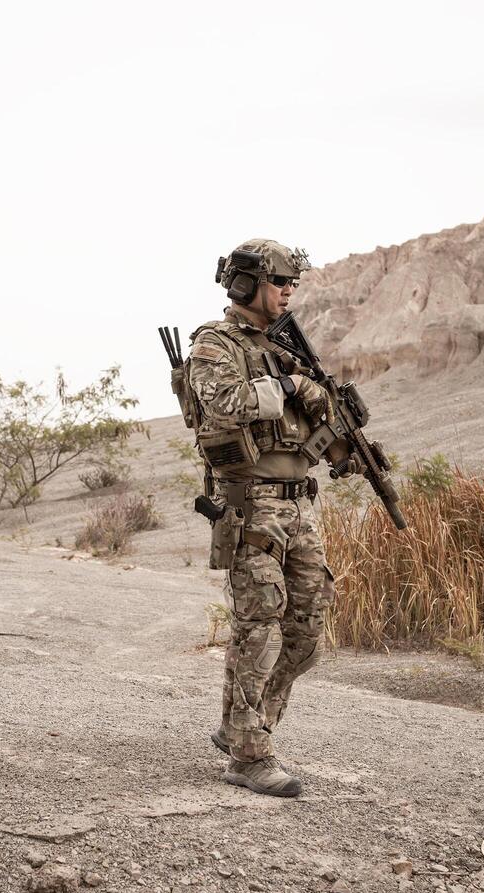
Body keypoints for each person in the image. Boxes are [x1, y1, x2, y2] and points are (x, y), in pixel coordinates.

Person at [184, 238, 336, 798]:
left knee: (308, 628)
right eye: (280, 282)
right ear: (248, 284)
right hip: (252, 504)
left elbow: (316, 411)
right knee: (259, 625)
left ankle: (242, 725)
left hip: (298, 502)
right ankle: (250, 755)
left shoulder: (286, 348)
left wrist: (321, 399)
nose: (288, 291)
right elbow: (223, 403)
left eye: (292, 282)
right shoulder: (214, 343)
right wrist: (291, 388)